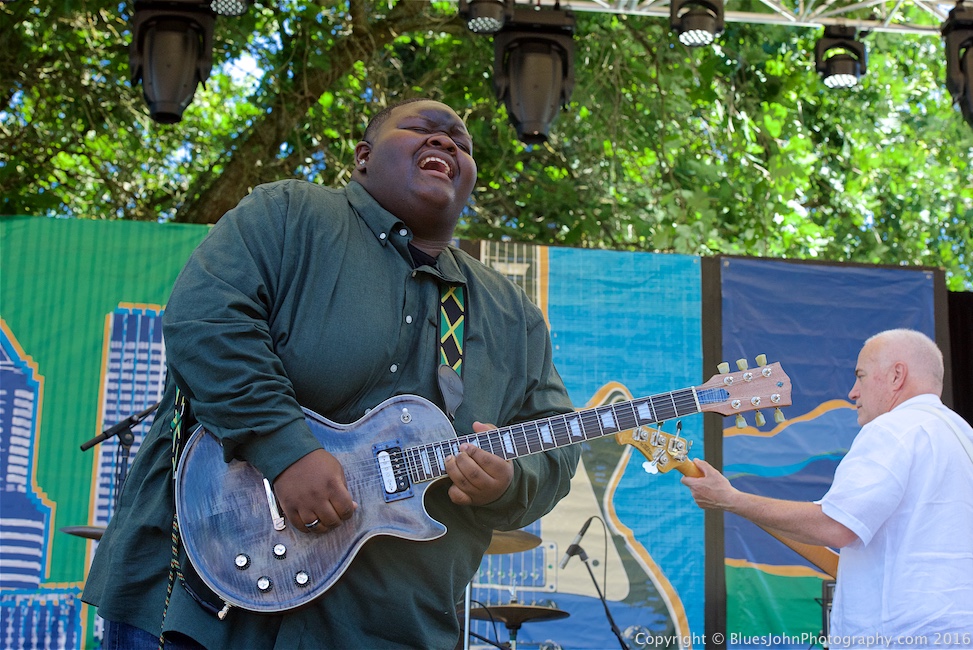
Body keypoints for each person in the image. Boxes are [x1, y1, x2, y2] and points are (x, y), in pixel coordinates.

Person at [82, 98, 581, 649]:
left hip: (389, 625)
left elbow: (556, 441)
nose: (444, 142)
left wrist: (511, 480)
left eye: (459, 142)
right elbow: (207, 319)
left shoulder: (513, 316)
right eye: (420, 129)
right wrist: (284, 447)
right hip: (201, 605)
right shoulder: (287, 214)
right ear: (363, 157)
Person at [681, 329, 973, 647]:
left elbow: (837, 526)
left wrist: (731, 499)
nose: (852, 392)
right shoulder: (963, 435)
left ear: (896, 376)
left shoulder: (893, 429)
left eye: (861, 377)